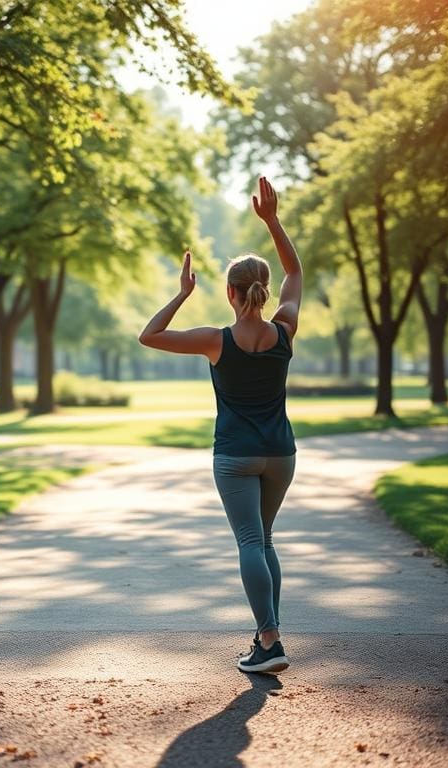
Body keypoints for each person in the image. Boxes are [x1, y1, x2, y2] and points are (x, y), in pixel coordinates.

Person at [137, 176, 302, 675]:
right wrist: (272, 221)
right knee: (266, 540)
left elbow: (150, 335)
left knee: (251, 543)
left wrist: (184, 293)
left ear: (229, 292)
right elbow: (295, 269)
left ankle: (270, 642)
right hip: (281, 454)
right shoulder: (285, 329)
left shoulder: (216, 340)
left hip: (235, 455)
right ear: (263, 289)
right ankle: (266, 636)